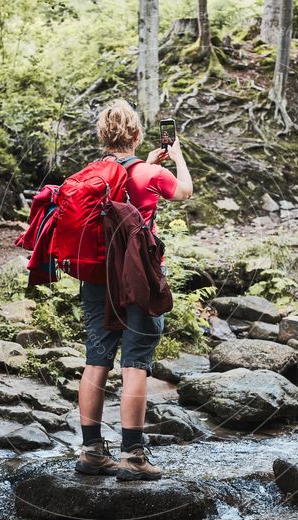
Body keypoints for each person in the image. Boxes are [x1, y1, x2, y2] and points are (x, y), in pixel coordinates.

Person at [75, 99, 193, 481]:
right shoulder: (147, 173)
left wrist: (149, 163)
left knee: (97, 359)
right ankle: (133, 455)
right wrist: (176, 158)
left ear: (102, 136)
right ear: (137, 135)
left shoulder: (90, 173)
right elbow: (183, 192)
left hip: (97, 279)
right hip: (139, 276)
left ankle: (91, 451)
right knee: (135, 363)